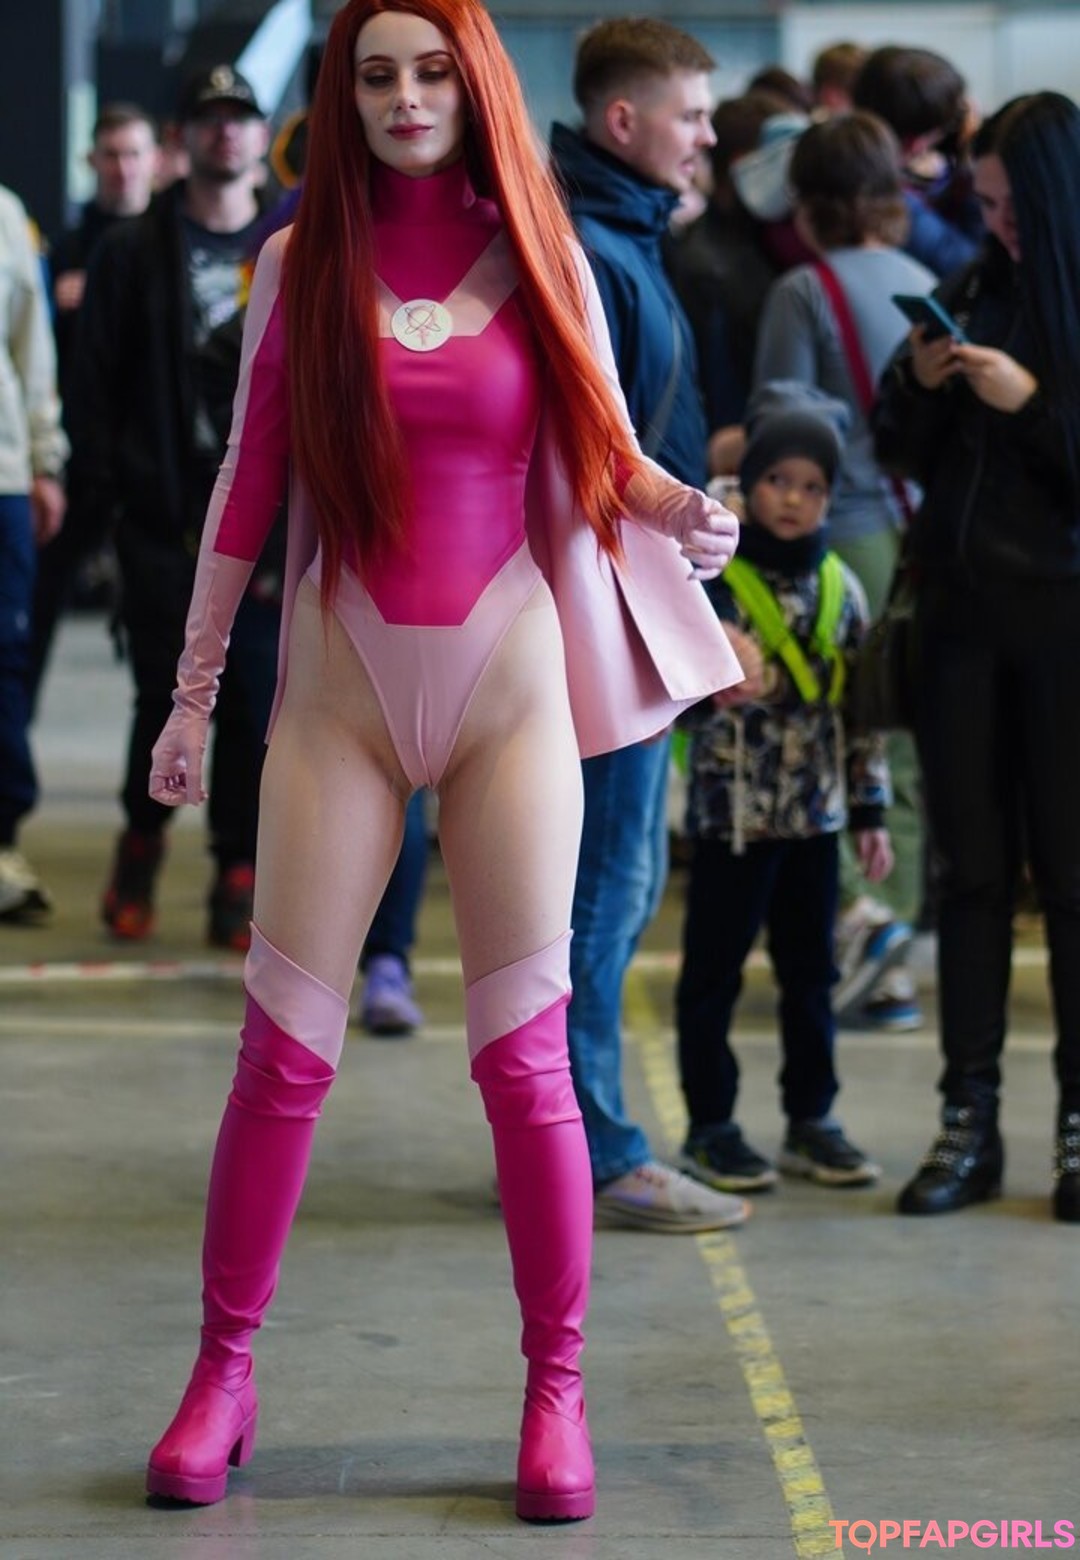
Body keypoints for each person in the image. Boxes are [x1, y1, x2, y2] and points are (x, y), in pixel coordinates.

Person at [142, 0, 742, 1521]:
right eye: (375, 75)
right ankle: (221, 1374)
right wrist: (193, 696)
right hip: (337, 698)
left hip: (507, 696)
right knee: (283, 1057)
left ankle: (556, 1391)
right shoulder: (300, 262)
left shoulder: (545, 253)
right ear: (342, 96)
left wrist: (687, 511)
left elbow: (608, 449)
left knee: (527, 1065)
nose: (406, 98)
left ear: (476, 85)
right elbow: (247, 479)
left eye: (431, 72)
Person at [550, 17, 750, 1233]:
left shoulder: (625, 234)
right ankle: (591, 1150)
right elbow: (592, 460)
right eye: (693, 115)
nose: (709, 137)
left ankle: (571, 1138)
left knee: (613, 886)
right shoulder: (592, 248)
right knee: (602, 891)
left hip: (639, 608)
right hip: (608, 620)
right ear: (623, 121)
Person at [873, 93, 1080, 1222]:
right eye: (982, 201)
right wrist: (918, 381)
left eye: (1007, 204)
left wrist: (1032, 404)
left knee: (1073, 882)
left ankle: (1078, 1126)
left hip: (1063, 626)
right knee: (970, 880)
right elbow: (895, 447)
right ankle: (969, 1121)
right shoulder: (969, 288)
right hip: (959, 625)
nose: (992, 222)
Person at [69, 65, 276, 950]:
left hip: (265, 513)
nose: (225, 132)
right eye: (208, 118)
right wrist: (111, 500)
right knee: (164, 690)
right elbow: (93, 385)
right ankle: (142, 843)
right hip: (164, 511)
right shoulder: (133, 249)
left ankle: (238, 867)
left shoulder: (293, 241)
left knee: (255, 695)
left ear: (261, 135)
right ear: (181, 137)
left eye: (239, 118)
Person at [751, 110, 936, 1030]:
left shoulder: (802, 291)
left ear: (810, 202)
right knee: (901, 745)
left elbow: (785, 423)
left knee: (830, 739)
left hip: (845, 543)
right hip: (923, 536)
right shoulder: (926, 282)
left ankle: (852, 930)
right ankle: (894, 951)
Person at [676, 389, 888, 1191]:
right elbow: (668, 696)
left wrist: (868, 811)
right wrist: (712, 686)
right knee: (713, 977)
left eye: (812, 487)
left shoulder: (842, 590)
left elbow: (862, 715)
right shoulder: (714, 585)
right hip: (731, 821)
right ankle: (711, 1126)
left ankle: (812, 1119)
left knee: (811, 979)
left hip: (815, 822)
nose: (793, 500)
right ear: (750, 482)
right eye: (777, 481)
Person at [28, 104, 160, 709]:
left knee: (162, 629)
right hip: (80, 454)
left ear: (154, 161)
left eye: (133, 154)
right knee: (36, 603)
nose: (122, 168)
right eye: (111, 155)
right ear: (91, 161)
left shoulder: (171, 247)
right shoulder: (65, 249)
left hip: (152, 460)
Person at [0, 183, 67, 922]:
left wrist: (46, 459)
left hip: (3, 480)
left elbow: (31, 345)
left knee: (3, 661)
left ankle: (1, 842)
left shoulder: (6, 215)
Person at [851, 46, 981, 279]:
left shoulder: (841, 160)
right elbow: (967, 264)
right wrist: (975, 165)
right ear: (915, 143)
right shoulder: (881, 195)